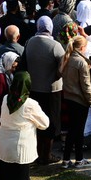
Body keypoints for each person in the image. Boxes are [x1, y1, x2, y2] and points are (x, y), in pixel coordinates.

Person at [0, 70, 50, 180]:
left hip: (3, 145)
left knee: (6, 178)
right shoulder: (30, 104)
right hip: (19, 147)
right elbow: (45, 124)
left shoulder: (6, 98)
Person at [23, 15, 65, 164]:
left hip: (33, 89)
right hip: (51, 91)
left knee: (35, 121)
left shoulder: (29, 42)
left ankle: (36, 152)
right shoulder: (55, 46)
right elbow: (63, 67)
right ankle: (46, 155)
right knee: (50, 122)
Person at [59, 33, 91, 168]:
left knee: (72, 130)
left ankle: (66, 159)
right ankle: (79, 159)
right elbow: (86, 86)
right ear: (82, 48)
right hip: (80, 100)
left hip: (69, 98)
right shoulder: (81, 62)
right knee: (78, 131)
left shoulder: (67, 58)